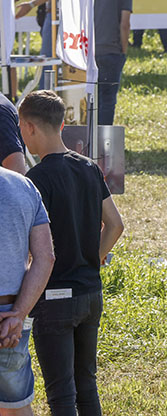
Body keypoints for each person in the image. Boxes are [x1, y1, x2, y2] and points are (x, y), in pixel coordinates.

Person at [20, 90, 125, 416]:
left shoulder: (35, 180)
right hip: (90, 293)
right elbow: (116, 225)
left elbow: (28, 247)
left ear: (28, 128)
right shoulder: (89, 168)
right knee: (86, 387)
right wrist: (92, 259)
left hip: (54, 300)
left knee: (61, 395)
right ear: (63, 124)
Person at [0, 162, 54, 416]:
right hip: (10, 317)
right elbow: (46, 258)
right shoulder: (24, 186)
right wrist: (19, 314)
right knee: (17, 408)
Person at [94, 0, 132, 126]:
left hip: (91, 51)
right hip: (112, 51)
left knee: (92, 98)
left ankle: (90, 138)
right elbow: (124, 25)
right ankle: (103, 144)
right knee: (108, 100)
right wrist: (123, 50)